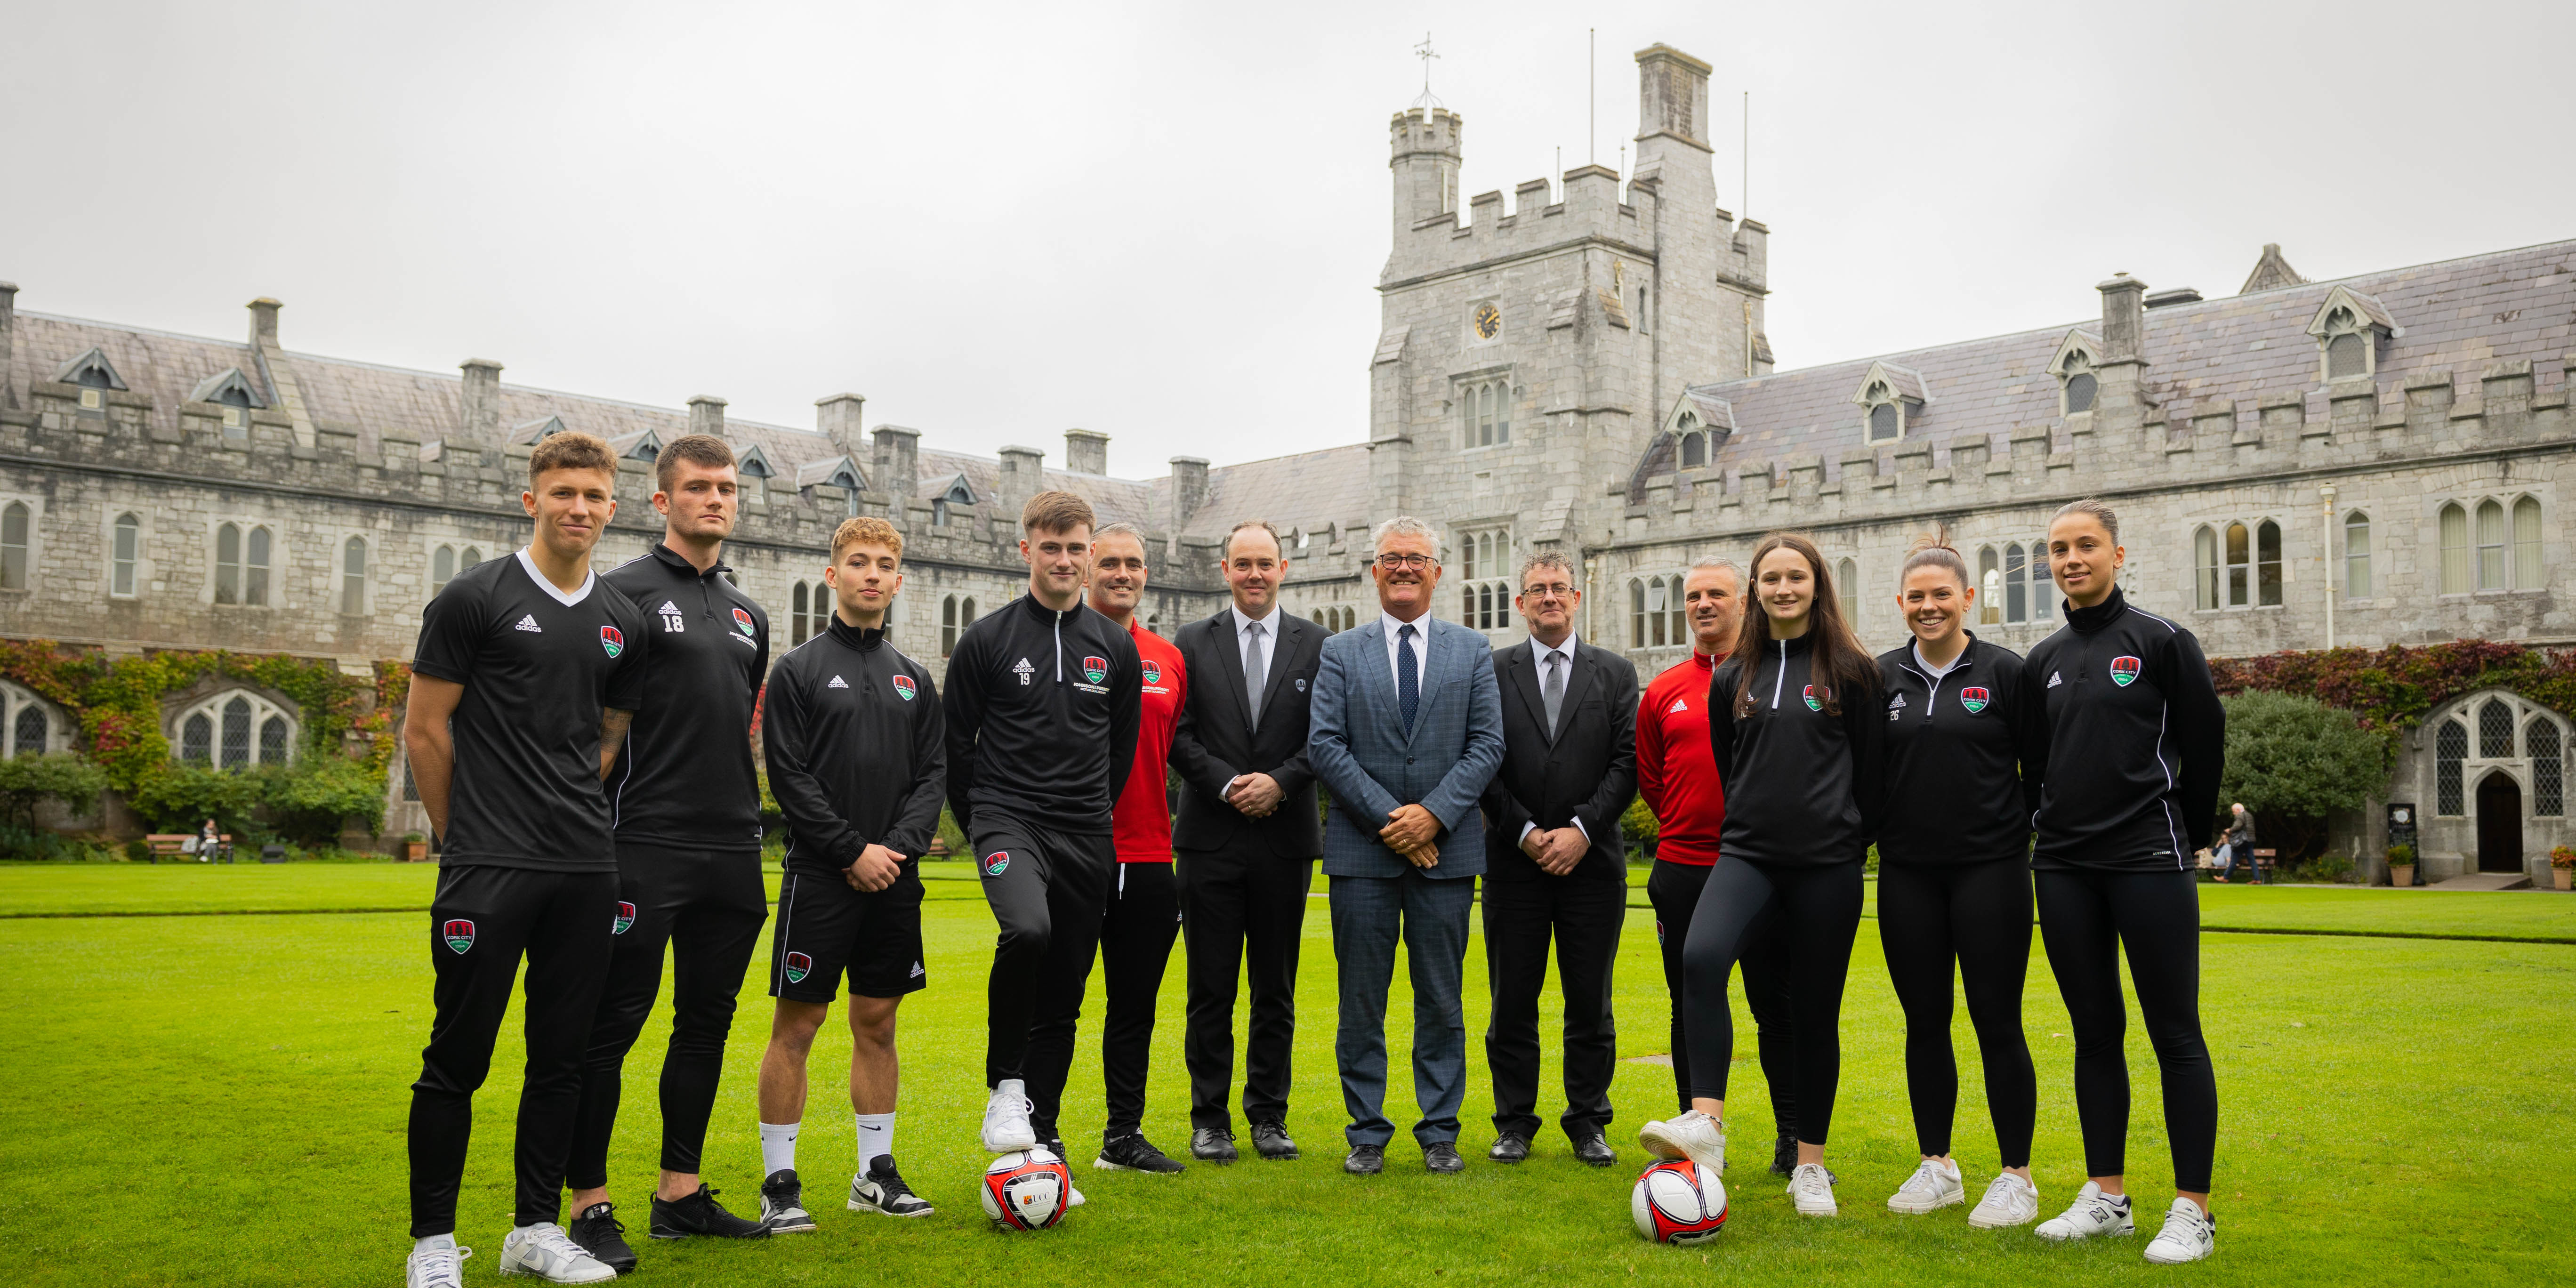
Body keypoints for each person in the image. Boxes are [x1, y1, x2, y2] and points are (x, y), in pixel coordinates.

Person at [399, 432, 648, 1288]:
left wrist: (568, 814)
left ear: (612, 508)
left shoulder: (625, 620)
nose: (578, 508)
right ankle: (432, 1241)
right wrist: (460, 836)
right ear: (531, 500)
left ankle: (534, 1228)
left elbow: (608, 739)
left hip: (585, 869)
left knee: (562, 1057)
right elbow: (425, 729)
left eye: (593, 495)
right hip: (488, 866)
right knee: (457, 1057)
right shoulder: (475, 599)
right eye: (563, 492)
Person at [562, 435, 772, 1270]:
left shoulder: (749, 613)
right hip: (641, 843)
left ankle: (679, 1194)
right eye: (698, 488)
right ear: (661, 502)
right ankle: (587, 1202)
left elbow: (735, 724)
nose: (715, 499)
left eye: (726, 488)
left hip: (733, 846)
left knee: (706, 1028)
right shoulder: (619, 596)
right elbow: (589, 731)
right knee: (609, 1028)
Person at [1640, 531, 1884, 1218]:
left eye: (1795, 577)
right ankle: (1707, 1125)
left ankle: (1811, 1165)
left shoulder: (1854, 671)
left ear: (1817, 585)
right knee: (1701, 957)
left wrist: (1840, 839)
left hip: (1828, 865)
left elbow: (1872, 779)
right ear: (1757, 590)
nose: (1782, 589)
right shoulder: (1731, 678)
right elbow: (1731, 763)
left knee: (1812, 1012)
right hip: (1745, 855)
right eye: (1770, 579)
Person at [2022, 498, 2225, 1265]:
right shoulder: (2041, 660)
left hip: (2148, 857)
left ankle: (2192, 1210)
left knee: (2174, 1031)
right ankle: (2105, 1196)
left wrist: (2190, 833)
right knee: (2093, 1032)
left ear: (2116, 553)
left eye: (2084, 546)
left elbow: (2204, 742)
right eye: (2057, 549)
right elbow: (2035, 767)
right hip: (2064, 866)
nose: (2070, 559)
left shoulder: (2162, 641)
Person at [944, 490, 1141, 1202]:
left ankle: (1046, 1139)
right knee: (1026, 930)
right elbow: (955, 744)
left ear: (1089, 554)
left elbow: (1118, 751)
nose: (1064, 559)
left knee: (1064, 993)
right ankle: (1007, 1090)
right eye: (1050, 547)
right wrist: (984, 821)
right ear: (1026, 550)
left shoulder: (1114, 647)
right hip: (1007, 819)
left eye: (1075, 547)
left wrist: (1088, 813)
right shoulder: (988, 640)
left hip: (1086, 830)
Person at [752, 516, 945, 1230]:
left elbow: (933, 777)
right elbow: (791, 777)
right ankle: (780, 1183)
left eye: (885, 564)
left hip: (895, 877)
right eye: (858, 562)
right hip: (822, 877)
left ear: (900, 581)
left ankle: (875, 1175)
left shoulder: (914, 679)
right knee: (797, 1025)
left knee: (879, 1023)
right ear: (832, 576)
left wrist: (892, 849)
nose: (872, 574)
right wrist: (850, 852)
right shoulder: (798, 671)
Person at [1306, 515, 1505, 1176]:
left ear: (1438, 573)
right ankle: (1367, 1131)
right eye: (1392, 558)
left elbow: (1487, 746)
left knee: (1442, 1002)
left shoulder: (1472, 650)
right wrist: (1397, 821)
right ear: (1374, 570)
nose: (1404, 568)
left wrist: (1435, 818)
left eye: (1417, 559)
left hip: (1447, 856)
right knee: (1362, 1001)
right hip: (1363, 854)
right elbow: (1326, 746)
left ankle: (1440, 1131)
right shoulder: (1341, 651)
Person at [1872, 537, 2042, 1226]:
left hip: (1991, 874)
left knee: (1996, 1020)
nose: (1929, 606)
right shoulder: (1878, 678)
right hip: (1907, 875)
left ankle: (2016, 1176)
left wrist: (2013, 832)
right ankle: (1937, 1165)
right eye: (1916, 596)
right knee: (1924, 1022)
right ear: (1901, 604)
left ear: (1969, 598)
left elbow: (2043, 768)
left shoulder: (2006, 673)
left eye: (1942, 594)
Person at [1636, 558, 1805, 1178]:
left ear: (1746, 601)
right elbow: (1653, 780)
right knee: (1691, 1003)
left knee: (1775, 1006)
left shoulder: (1775, 677)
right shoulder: (1663, 690)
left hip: (1763, 869)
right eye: (1694, 596)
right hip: (1684, 867)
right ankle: (1696, 1136)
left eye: (1717, 594)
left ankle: (1792, 1141)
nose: (1704, 604)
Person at [1168, 520, 1325, 1164]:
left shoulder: (1317, 644)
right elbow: (1177, 735)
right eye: (1243, 564)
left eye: (1266, 564)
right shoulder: (1192, 642)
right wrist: (1230, 783)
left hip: (1284, 839)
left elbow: (1328, 735)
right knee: (1210, 987)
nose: (1255, 575)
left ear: (1283, 569)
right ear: (1225, 570)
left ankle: (1268, 1116)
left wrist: (1280, 784)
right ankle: (1210, 1120)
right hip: (1211, 836)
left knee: (1275, 988)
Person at [1477, 552, 1638, 1167]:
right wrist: (1523, 832)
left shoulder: (1615, 674)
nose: (1549, 598)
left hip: (1592, 867)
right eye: (1536, 590)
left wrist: (1579, 831)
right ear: (1520, 604)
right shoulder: (1491, 672)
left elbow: (1627, 765)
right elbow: (1483, 759)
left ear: (1577, 598)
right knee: (1512, 1000)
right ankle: (1514, 1122)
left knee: (1589, 1001)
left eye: (1559, 588)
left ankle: (1589, 1121)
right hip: (1514, 866)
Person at [1069, 522, 1191, 1175]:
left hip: (1148, 854)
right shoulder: (1061, 644)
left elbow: (1177, 750)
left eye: (1134, 564)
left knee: (1135, 1006)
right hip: (1074, 851)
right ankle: (1042, 1134)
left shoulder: (1167, 659)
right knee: (1057, 1001)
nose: (1123, 573)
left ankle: (1123, 1135)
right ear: (1087, 569)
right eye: (1110, 562)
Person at [2211, 804, 2254, 883]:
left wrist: (2230, 830)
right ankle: (2257, 879)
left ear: (2238, 810)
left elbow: (2238, 826)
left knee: (2234, 858)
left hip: (2242, 841)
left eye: (2234, 811)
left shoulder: (2240, 816)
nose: (2233, 813)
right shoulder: (2249, 815)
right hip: (2251, 840)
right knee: (2252, 859)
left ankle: (2226, 877)